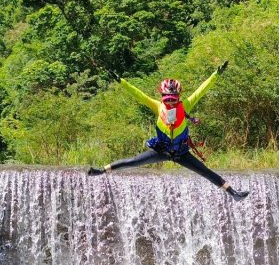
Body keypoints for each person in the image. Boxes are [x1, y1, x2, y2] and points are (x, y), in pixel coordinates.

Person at [88, 61, 250, 201]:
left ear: (178, 96)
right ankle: (101, 171)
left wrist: (216, 74)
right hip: (162, 150)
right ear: (163, 96)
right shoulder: (158, 106)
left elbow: (201, 90)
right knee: (133, 161)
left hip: (181, 153)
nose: (171, 102)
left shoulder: (185, 105)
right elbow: (138, 94)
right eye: (168, 99)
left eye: (173, 99)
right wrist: (121, 81)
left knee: (205, 171)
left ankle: (233, 193)